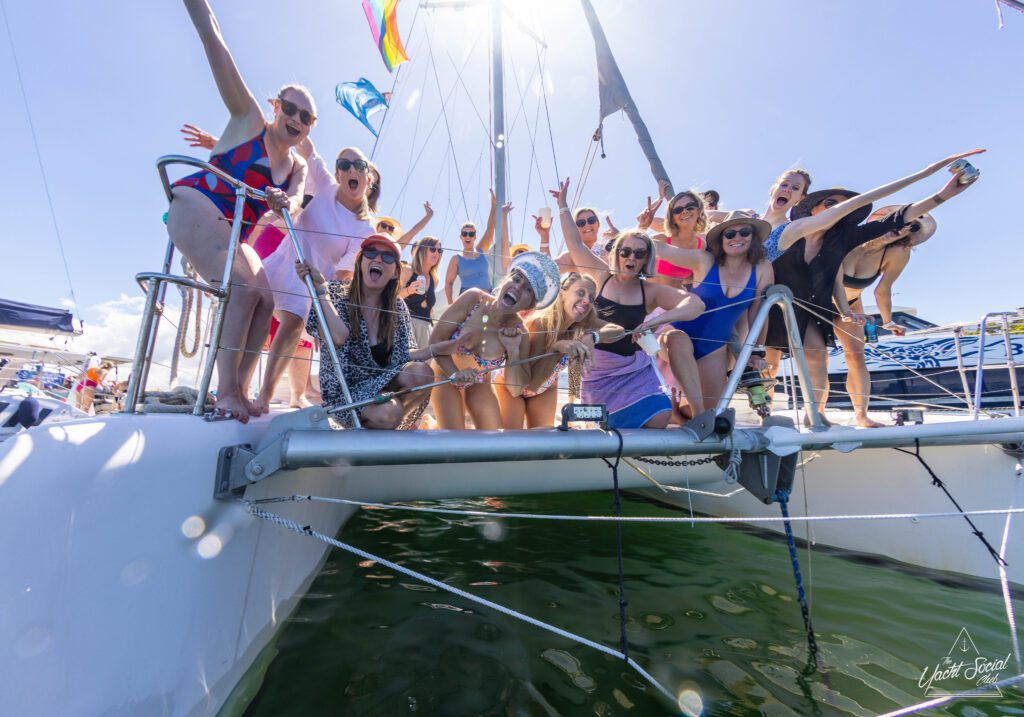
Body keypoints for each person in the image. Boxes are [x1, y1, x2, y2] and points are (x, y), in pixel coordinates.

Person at [763, 149, 985, 423]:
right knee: (769, 362)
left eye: (843, 206)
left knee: (817, 356)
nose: (836, 208)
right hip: (773, 301)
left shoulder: (842, 238)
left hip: (810, 305)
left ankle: (816, 415)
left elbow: (898, 218)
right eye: (830, 202)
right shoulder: (791, 229)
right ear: (814, 205)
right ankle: (765, 416)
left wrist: (944, 194)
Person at [167, 0, 311, 422]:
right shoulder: (247, 119)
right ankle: (226, 391)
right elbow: (216, 42)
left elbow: (298, 200)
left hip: (234, 232)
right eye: (290, 108)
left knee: (266, 300)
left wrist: (284, 203)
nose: (296, 118)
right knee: (243, 290)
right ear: (275, 107)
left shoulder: (297, 166)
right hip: (196, 205)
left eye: (306, 116)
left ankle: (240, 391)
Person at [554, 178, 706, 428]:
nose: (631, 257)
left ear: (646, 259)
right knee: (602, 425)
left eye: (639, 253)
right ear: (617, 255)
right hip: (597, 370)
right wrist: (562, 204)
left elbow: (695, 304)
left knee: (659, 416)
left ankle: (698, 418)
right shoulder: (601, 275)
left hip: (633, 371)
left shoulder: (651, 291)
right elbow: (574, 242)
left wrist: (657, 320)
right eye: (625, 252)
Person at [253, 147, 377, 413]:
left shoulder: (366, 229)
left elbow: (344, 274)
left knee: (294, 322)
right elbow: (306, 147)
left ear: (369, 178)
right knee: (254, 314)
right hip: (284, 258)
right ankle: (238, 389)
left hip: (311, 278)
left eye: (358, 164)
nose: (351, 169)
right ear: (337, 173)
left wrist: (328, 313)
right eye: (344, 164)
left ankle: (264, 396)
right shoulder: (325, 184)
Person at [296, 235, 460, 429]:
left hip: (381, 384)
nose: (378, 259)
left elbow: (404, 356)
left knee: (423, 372)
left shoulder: (397, 307)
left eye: (388, 257)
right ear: (360, 262)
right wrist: (320, 290)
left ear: (394, 273)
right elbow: (338, 337)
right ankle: (387, 419)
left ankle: (389, 421)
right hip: (346, 393)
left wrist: (437, 349)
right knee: (390, 412)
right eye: (371, 252)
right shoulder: (331, 292)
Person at [834, 205, 945, 426]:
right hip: (817, 302)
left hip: (853, 304)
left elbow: (882, 290)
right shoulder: (852, 237)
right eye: (902, 221)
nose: (905, 228)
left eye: (912, 226)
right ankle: (814, 412)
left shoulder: (898, 253)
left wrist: (888, 321)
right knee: (817, 357)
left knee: (856, 357)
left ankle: (861, 415)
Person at [655, 213, 775, 408]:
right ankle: (676, 408)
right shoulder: (704, 260)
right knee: (687, 408)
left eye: (744, 232)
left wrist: (756, 353)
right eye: (730, 234)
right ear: (721, 239)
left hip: (713, 348)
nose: (737, 238)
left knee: (712, 411)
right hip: (675, 338)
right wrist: (637, 238)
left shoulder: (763, 269)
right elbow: (661, 249)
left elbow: (759, 314)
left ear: (753, 237)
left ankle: (678, 412)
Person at [430, 252, 562, 430]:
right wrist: (454, 374)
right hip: (445, 372)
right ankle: (433, 426)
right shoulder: (473, 298)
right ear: (506, 280)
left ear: (530, 304)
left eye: (527, 289)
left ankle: (434, 426)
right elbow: (435, 341)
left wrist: (513, 351)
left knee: (493, 440)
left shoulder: (519, 333)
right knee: (455, 439)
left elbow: (515, 390)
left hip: (478, 383)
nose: (518, 287)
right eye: (516, 279)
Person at [496, 272, 623, 429]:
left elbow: (619, 331)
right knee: (512, 442)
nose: (586, 301)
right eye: (580, 293)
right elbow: (533, 383)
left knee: (543, 444)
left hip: (545, 388)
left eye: (591, 298)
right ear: (562, 292)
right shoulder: (540, 325)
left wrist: (593, 337)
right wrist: (557, 346)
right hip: (512, 386)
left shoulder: (583, 323)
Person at [444, 191, 510, 301]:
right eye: (464, 234)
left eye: (471, 234)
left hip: (487, 297)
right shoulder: (456, 259)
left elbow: (490, 229)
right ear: (460, 237)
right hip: (468, 300)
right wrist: (451, 304)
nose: (467, 236)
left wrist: (493, 206)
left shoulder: (481, 250)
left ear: (475, 237)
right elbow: (448, 283)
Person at [647, 190, 708, 289]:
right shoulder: (661, 240)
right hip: (649, 298)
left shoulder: (702, 246)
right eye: (677, 210)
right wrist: (642, 226)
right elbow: (633, 249)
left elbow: (690, 278)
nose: (684, 211)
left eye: (690, 206)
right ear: (672, 218)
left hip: (676, 299)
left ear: (698, 210)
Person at [399, 236, 443, 350]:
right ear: (422, 250)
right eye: (432, 249)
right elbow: (393, 296)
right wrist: (409, 290)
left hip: (426, 327)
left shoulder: (435, 278)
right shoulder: (407, 271)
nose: (436, 253)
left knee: (425, 365)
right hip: (407, 325)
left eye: (439, 251)